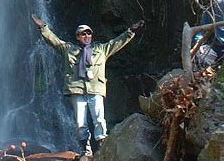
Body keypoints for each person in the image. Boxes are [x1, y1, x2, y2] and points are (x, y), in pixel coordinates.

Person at [31, 14, 145, 159]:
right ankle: (86, 150)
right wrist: (43, 27)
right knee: (80, 122)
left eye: (88, 33)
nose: (86, 36)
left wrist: (131, 31)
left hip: (95, 89)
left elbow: (117, 42)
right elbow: (54, 40)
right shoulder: (69, 49)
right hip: (77, 90)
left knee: (99, 119)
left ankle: (103, 146)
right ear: (78, 37)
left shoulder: (101, 50)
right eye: (83, 34)